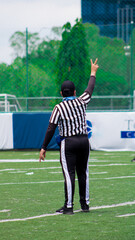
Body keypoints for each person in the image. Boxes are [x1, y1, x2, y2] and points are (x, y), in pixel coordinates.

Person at [39, 59, 99, 214]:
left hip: (69, 143)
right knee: (83, 172)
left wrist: (44, 147)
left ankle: (69, 206)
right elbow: (90, 89)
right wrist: (93, 72)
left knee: (69, 173)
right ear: (74, 92)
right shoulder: (81, 101)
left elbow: (51, 128)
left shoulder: (58, 107)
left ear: (61, 93)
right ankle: (85, 204)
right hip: (84, 141)